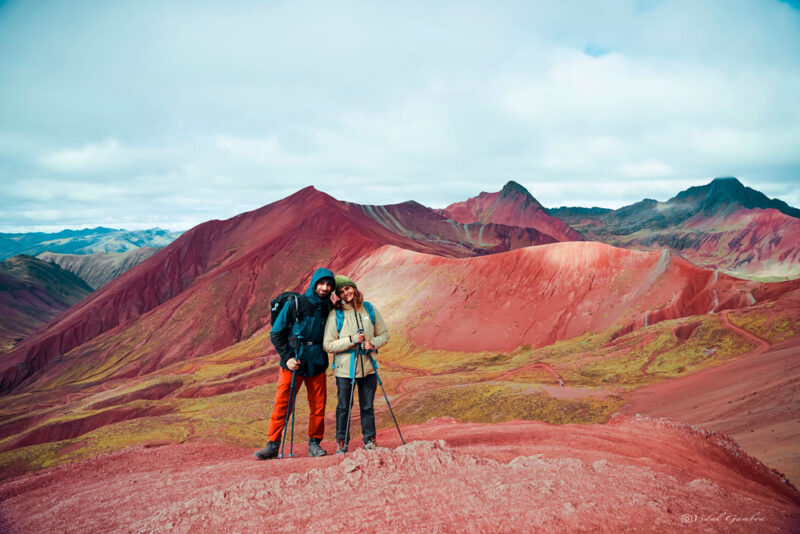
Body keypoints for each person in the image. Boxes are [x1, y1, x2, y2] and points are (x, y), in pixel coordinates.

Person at [254, 267, 335, 460]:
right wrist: (288, 357)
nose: (324, 287)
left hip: (317, 363)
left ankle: (314, 444)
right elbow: (276, 333)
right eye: (322, 283)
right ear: (315, 283)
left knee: (318, 406)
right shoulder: (296, 303)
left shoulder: (329, 307)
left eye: (328, 284)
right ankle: (272, 445)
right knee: (282, 405)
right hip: (293, 363)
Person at [323, 275, 389, 453]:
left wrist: (372, 343)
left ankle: (370, 440)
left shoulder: (369, 309)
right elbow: (328, 344)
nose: (346, 293)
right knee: (344, 407)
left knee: (367, 406)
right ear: (338, 295)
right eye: (341, 292)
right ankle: (342, 442)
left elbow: (384, 334)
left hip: (368, 367)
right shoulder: (336, 314)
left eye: (347, 288)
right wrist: (351, 340)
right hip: (345, 370)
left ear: (354, 288)